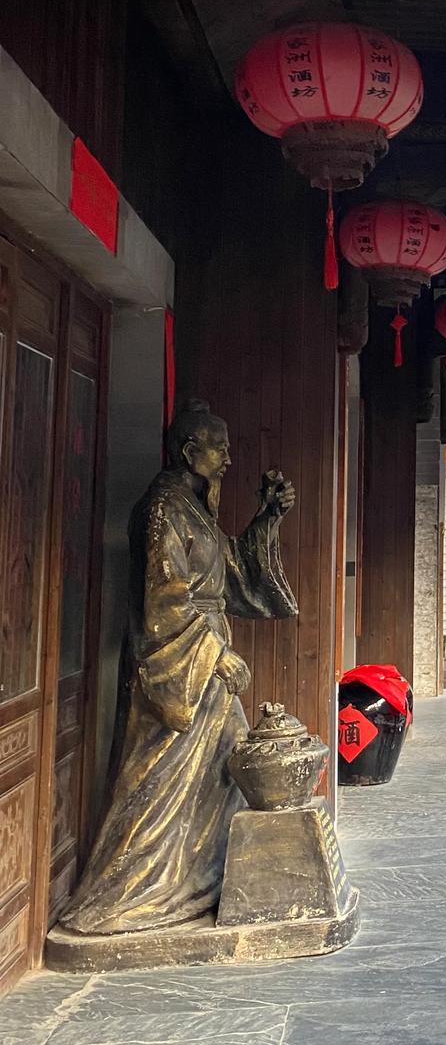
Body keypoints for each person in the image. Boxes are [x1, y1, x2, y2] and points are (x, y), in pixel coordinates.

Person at [60, 399, 297, 935]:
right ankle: (123, 894)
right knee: (159, 779)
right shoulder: (163, 509)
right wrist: (215, 654)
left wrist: (267, 517)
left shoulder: (193, 507)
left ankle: (200, 881)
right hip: (178, 665)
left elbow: (229, 571)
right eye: (220, 448)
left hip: (204, 656)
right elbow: (163, 603)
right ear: (190, 451)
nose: (229, 458)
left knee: (223, 770)